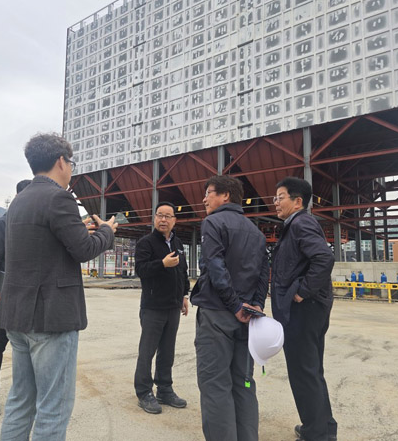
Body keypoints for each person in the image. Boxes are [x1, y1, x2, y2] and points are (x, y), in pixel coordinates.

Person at [0, 133, 117, 441]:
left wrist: (81, 231)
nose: (71, 169)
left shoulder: (20, 200)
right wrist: (106, 232)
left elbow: (44, 246)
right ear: (61, 161)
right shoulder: (59, 198)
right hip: (50, 318)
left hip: (17, 314)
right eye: (71, 163)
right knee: (54, 407)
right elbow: (84, 250)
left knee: (20, 400)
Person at [191, 175, 269, 441]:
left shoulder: (213, 222)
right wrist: (256, 304)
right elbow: (264, 272)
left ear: (225, 195)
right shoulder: (255, 231)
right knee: (244, 383)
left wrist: (235, 304)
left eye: (208, 193)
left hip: (218, 315)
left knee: (215, 384)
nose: (204, 199)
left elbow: (216, 267)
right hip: (247, 319)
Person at [270, 177, 337, 441]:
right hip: (309, 309)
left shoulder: (301, 223)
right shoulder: (296, 224)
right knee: (311, 370)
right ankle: (323, 428)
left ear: (297, 201)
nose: (276, 202)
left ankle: (315, 433)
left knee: (303, 372)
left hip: (304, 310)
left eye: (281, 197)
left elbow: (324, 258)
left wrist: (301, 292)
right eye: (275, 198)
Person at [0, 179, 31, 417]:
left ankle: (30, 393)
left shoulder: (35, 224)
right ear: (20, 197)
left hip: (32, 294)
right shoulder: (3, 224)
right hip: (8, 294)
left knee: (33, 345)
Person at [134, 202, 190, 414]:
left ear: (174, 220)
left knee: (167, 351)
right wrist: (162, 264)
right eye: (160, 215)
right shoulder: (146, 243)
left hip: (173, 306)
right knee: (147, 351)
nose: (163, 220)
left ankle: (165, 389)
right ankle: (143, 392)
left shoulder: (178, 243)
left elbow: (183, 271)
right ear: (154, 218)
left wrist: (184, 295)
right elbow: (141, 270)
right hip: (153, 307)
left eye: (168, 216)